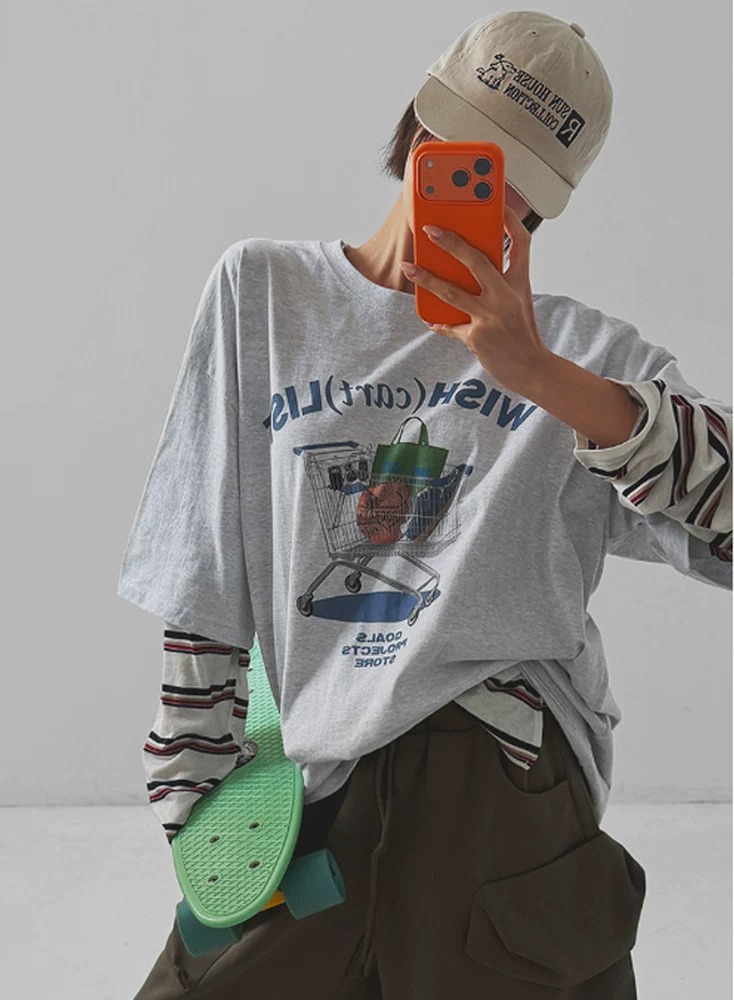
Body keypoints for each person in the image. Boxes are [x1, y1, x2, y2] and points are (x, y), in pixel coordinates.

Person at [117, 11, 732, 998]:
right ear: (420, 129)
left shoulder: (585, 358)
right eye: (473, 161)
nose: (490, 205)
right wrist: (192, 803)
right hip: (310, 777)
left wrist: (542, 375)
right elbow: (204, 569)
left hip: (499, 771)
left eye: (521, 196)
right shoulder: (263, 293)